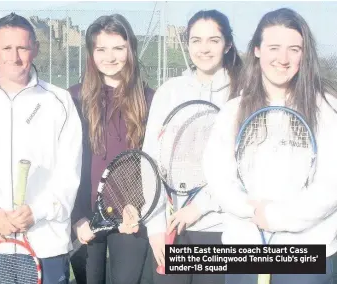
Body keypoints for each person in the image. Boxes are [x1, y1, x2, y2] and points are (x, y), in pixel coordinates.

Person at [202, 8, 337, 284]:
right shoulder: (232, 112)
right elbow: (218, 179)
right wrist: (251, 211)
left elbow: (330, 187)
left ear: (304, 54)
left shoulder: (327, 108)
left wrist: (276, 217)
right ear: (257, 50)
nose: (283, 59)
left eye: (294, 49)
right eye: (274, 47)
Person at [0, 12, 83, 284]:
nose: (15, 57)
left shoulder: (59, 102)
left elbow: (68, 174)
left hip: (46, 243)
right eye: (6, 48)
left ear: (35, 49)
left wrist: (37, 211)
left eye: (22, 47)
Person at [140, 10, 243, 284]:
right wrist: (155, 227)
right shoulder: (169, 92)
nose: (204, 48)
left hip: (221, 228)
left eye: (213, 40)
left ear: (228, 44)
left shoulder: (243, 94)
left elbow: (242, 166)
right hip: (171, 228)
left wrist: (200, 207)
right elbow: (150, 160)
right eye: (196, 40)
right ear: (187, 44)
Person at [67, 14, 160, 284]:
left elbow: (154, 164)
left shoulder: (149, 99)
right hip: (85, 220)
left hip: (131, 219)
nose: (110, 56)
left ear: (131, 49)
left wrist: (140, 209)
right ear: (91, 53)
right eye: (102, 49)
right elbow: (62, 164)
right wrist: (76, 218)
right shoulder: (72, 98)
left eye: (119, 48)